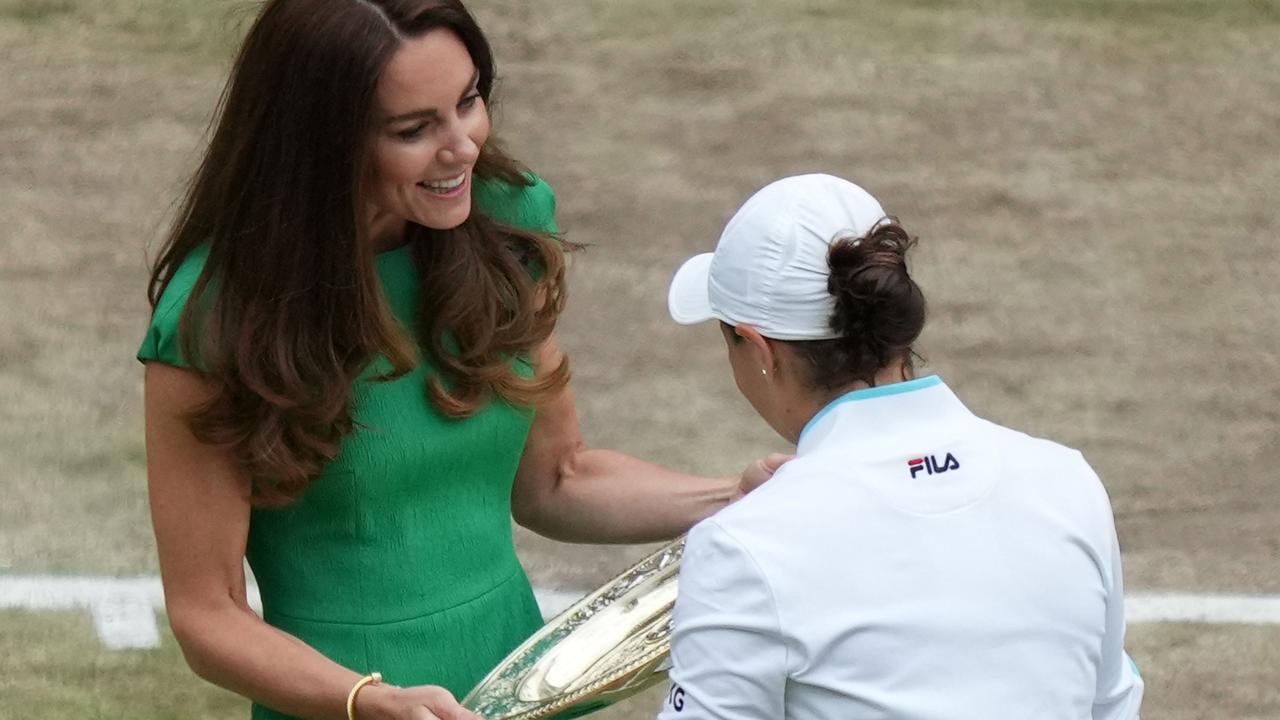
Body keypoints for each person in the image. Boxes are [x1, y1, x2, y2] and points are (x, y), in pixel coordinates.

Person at [138, 2, 784, 719]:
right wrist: (369, 701)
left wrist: (734, 497)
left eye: (469, 100)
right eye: (415, 129)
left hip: (522, 693)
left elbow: (558, 478)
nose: (465, 147)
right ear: (322, 143)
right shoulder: (213, 319)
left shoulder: (506, 224)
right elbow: (207, 613)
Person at [659, 174, 1144, 720]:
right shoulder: (1068, 482)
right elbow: (1110, 707)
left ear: (758, 347)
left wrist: (754, 531)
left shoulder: (741, 548)